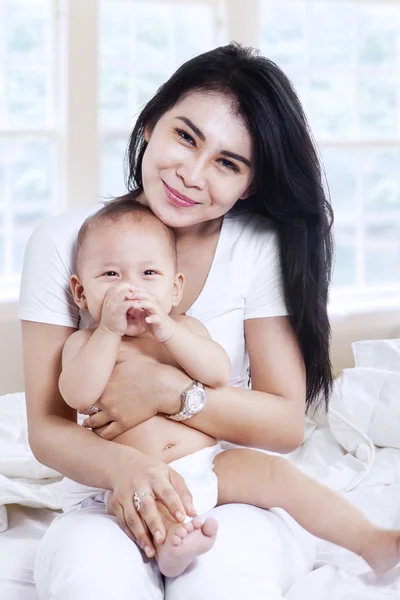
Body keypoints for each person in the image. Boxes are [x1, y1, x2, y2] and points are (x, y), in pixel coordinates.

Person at [20, 43, 337, 600]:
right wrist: (123, 471)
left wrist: (170, 392)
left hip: (232, 494)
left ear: (251, 184)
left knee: (219, 584)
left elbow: (287, 424)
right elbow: (47, 428)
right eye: (186, 137)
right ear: (149, 124)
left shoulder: (257, 248)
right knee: (93, 580)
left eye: (227, 163)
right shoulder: (63, 241)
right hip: (101, 498)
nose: (192, 174)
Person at [59, 197, 400, 578]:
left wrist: (168, 332)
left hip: (208, 462)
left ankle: (370, 541)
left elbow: (217, 372)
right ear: (80, 292)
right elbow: (78, 395)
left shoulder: (184, 328)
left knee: (278, 476)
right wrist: (108, 331)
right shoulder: (86, 343)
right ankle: (173, 552)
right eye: (110, 275)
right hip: (139, 476)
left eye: (148, 274)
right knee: (159, 507)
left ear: (175, 289)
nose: (130, 289)